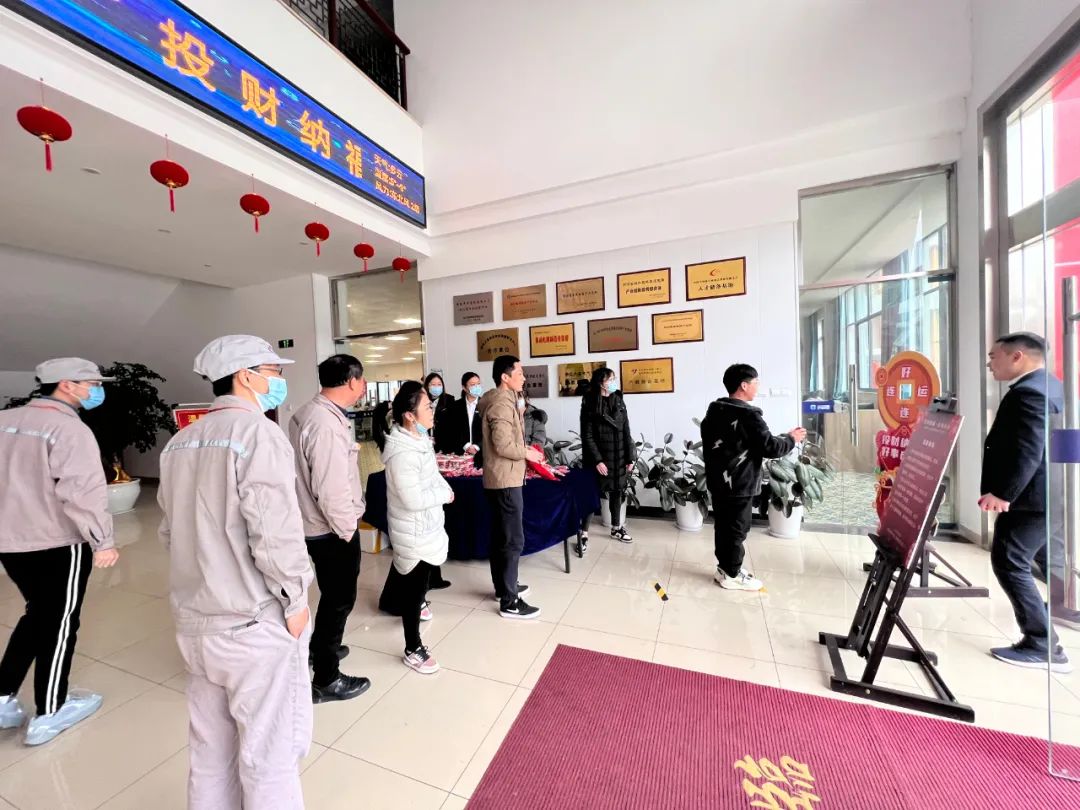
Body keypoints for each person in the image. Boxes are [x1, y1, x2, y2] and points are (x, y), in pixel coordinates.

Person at [158, 335, 314, 809]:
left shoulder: (180, 442)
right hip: (252, 622)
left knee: (210, 750)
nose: (279, 381)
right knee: (270, 752)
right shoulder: (258, 435)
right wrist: (296, 600)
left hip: (195, 622)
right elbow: (274, 533)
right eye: (274, 372)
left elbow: (169, 532)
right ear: (246, 376)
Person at [0, 358, 120, 746]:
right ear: (67, 385)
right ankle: (50, 711)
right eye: (92, 383)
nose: (97, 390)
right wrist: (102, 541)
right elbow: (82, 492)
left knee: (38, 614)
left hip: (10, 542)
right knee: (60, 622)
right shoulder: (69, 429)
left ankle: (2, 696)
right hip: (57, 543)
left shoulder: (5, 420)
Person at [981, 333, 1072, 672]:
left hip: (1031, 499)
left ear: (1017, 356)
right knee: (1051, 557)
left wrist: (1004, 494)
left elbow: (1028, 451)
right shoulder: (1053, 385)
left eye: (994, 356)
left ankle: (1041, 644)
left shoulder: (1029, 394)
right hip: (1056, 493)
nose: (990, 363)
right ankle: (1065, 608)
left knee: (1009, 561)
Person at [288, 354, 371, 703]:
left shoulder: (308, 413)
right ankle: (326, 678)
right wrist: (347, 530)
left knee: (331, 595)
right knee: (339, 599)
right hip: (331, 529)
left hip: (315, 524)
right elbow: (330, 486)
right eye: (362, 380)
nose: (363, 386)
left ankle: (321, 648)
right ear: (351, 381)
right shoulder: (324, 423)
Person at [701, 364, 805, 592]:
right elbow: (770, 447)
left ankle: (725, 568)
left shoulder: (714, 412)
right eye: (756, 382)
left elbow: (740, 443)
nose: (758, 387)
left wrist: (781, 438)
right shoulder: (748, 415)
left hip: (719, 482)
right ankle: (732, 574)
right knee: (737, 529)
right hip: (739, 484)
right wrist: (791, 438)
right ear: (744, 385)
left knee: (724, 527)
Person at [381, 382, 455, 674]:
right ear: (409, 415)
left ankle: (418, 602)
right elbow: (412, 500)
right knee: (412, 589)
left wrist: (444, 488)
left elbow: (434, 476)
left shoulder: (420, 440)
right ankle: (413, 648)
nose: (432, 410)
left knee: (420, 581)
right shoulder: (402, 454)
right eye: (426, 406)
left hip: (426, 526)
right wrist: (444, 495)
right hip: (412, 530)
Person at [479, 355, 545, 619]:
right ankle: (510, 602)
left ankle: (504, 588)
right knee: (512, 539)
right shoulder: (501, 404)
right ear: (505, 377)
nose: (524, 378)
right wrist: (527, 453)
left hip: (503, 477)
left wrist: (525, 448)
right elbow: (503, 445)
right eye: (519, 373)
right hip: (505, 480)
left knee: (502, 537)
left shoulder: (505, 400)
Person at [579, 367, 634, 554]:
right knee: (591, 494)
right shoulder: (589, 402)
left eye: (614, 378)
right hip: (599, 458)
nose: (613, 382)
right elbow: (587, 436)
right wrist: (598, 460)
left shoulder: (618, 400)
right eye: (610, 379)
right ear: (601, 383)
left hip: (618, 455)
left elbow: (626, 430)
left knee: (617, 491)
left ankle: (616, 528)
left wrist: (630, 456)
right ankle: (583, 532)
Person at [437, 371, 483, 455]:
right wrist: (466, 446)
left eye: (478, 384)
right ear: (464, 387)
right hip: (459, 452)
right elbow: (452, 430)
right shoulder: (454, 406)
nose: (477, 387)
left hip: (481, 453)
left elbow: (490, 431)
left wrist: (477, 446)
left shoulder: (486, 405)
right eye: (473, 385)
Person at [424, 372, 455, 448]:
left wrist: (437, 439)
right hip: (425, 442)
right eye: (433, 384)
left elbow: (452, 425)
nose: (436, 387)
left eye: (439, 384)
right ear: (427, 386)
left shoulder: (449, 399)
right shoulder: (422, 400)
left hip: (443, 443)